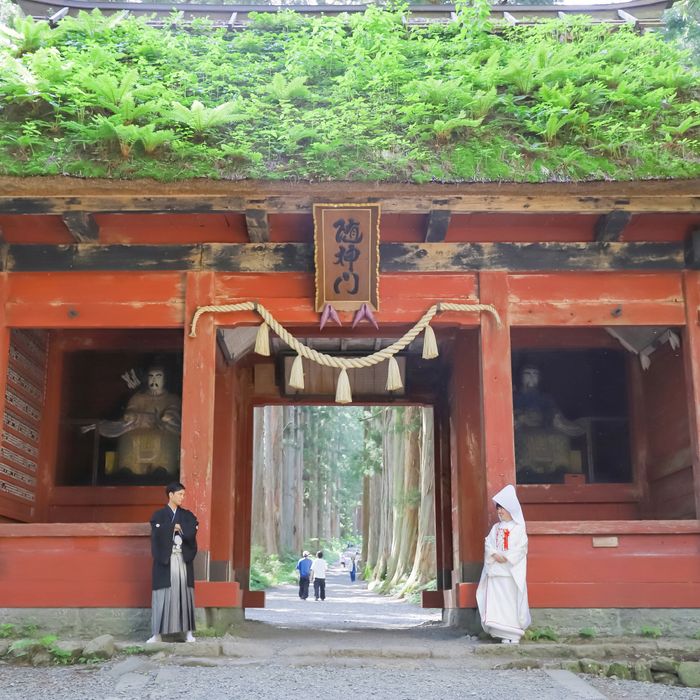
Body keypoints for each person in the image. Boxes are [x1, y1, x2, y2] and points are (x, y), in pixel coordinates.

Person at [83, 364, 181, 477]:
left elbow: (173, 409)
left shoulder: (172, 398)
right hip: (137, 428)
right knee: (127, 438)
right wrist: (131, 415)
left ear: (165, 379)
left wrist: (168, 416)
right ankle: (128, 468)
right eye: (151, 376)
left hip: (162, 429)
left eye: (158, 376)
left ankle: (163, 469)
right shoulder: (139, 397)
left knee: (165, 439)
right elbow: (131, 409)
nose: (154, 379)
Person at [476, 484, 531, 644]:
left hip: (510, 572)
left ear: (511, 509)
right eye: (498, 508)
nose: (499, 511)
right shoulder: (495, 528)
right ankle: (500, 631)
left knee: (511, 601)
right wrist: (494, 554)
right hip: (496, 571)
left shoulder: (519, 529)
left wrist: (507, 557)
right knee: (497, 602)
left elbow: (521, 548)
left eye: (502, 508)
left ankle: (513, 633)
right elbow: (489, 543)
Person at [513, 364, 585, 483]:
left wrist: (554, 420)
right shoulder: (514, 397)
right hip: (522, 430)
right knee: (524, 440)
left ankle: (559, 470)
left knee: (560, 438)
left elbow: (553, 413)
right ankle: (525, 471)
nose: (531, 377)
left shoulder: (545, 398)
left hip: (545, 429)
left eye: (535, 374)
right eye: (527, 374)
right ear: (520, 377)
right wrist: (520, 418)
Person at [147, 481, 198, 643]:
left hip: (182, 558)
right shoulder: (158, 515)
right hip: (166, 560)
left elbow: (193, 527)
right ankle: (157, 635)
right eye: (180, 494)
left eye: (184, 494)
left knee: (185, 594)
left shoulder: (188, 515)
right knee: (162, 595)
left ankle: (188, 633)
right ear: (171, 495)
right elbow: (157, 530)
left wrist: (179, 527)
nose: (183, 497)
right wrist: (171, 527)